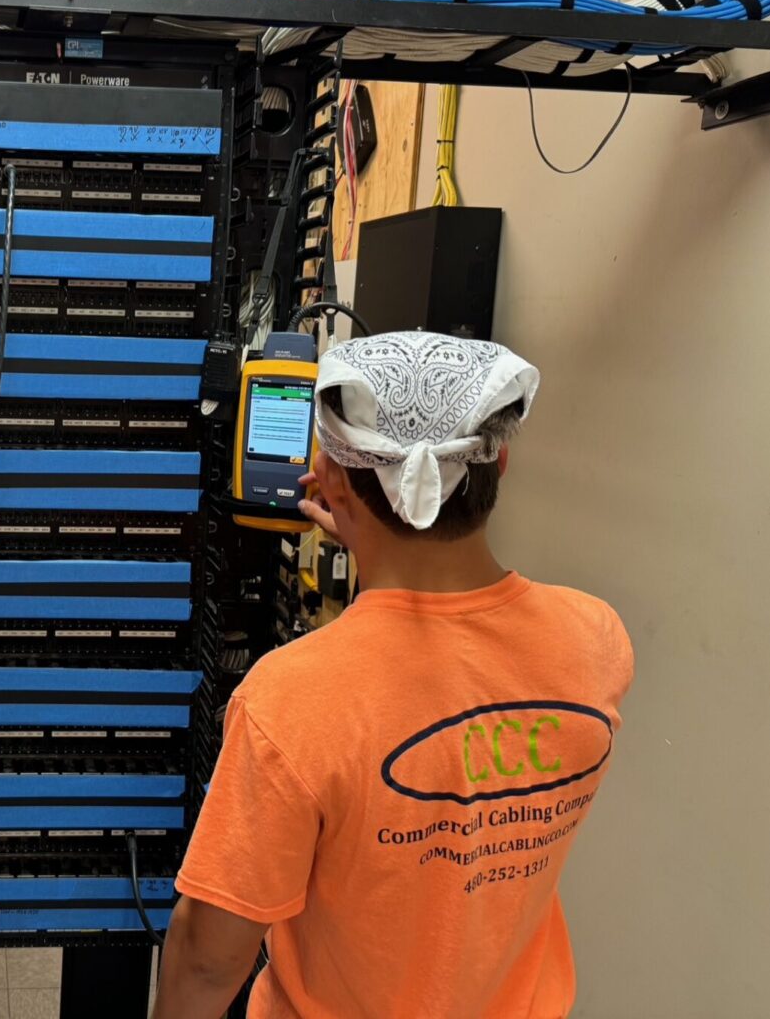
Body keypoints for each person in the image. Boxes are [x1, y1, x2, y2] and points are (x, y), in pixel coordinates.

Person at [154, 332, 634, 1019]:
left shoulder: (289, 699)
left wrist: (366, 542)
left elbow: (207, 958)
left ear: (330, 474)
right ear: (499, 461)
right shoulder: (595, 638)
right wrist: (371, 542)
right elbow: (447, 665)